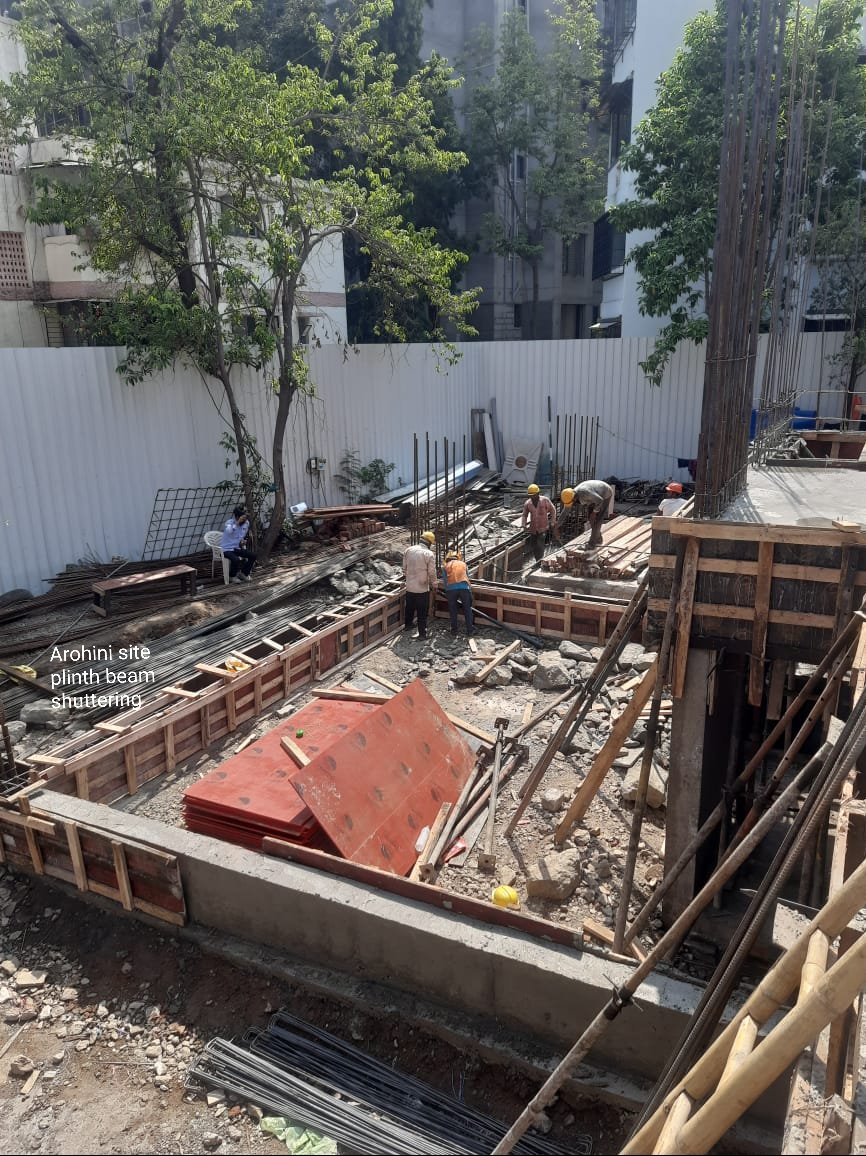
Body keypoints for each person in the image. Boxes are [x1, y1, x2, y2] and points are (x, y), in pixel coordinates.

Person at [402, 530, 437, 639]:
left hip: (409, 586)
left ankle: (408, 625)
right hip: (422, 588)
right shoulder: (428, 554)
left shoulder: (408, 550)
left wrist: (409, 577)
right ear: (429, 543)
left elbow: (404, 569)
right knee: (422, 612)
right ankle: (422, 634)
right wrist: (434, 584)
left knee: (409, 607)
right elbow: (432, 572)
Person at [441, 549, 474, 636]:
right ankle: (470, 630)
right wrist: (469, 590)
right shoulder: (463, 564)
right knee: (467, 609)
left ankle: (454, 631)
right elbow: (467, 577)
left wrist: (447, 591)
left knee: (453, 610)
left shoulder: (445, 566)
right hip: (464, 588)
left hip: (451, 589)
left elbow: (445, 581)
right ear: (457, 557)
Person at [220, 505, 256, 583]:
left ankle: (243, 573)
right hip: (226, 549)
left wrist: (242, 540)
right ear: (236, 516)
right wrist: (237, 523)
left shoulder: (246, 523)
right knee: (236, 559)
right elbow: (229, 531)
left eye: (245, 518)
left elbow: (241, 535)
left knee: (253, 555)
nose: (244, 520)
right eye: (243, 518)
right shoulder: (229, 523)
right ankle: (232, 576)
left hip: (236, 548)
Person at [574, 479, 615, 548]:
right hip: (594, 495)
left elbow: (600, 501)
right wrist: (557, 526)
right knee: (591, 519)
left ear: (575, 498)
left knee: (597, 520)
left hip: (605, 493)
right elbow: (565, 511)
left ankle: (592, 544)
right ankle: (598, 539)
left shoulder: (584, 492)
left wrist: (594, 513)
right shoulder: (570, 495)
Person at [522, 484, 557, 563]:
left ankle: (539, 562)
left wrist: (552, 521)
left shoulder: (545, 500)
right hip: (533, 529)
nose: (532, 497)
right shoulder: (528, 503)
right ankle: (538, 560)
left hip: (543, 528)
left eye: (534, 495)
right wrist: (523, 524)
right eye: (530, 495)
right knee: (534, 545)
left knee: (540, 545)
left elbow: (553, 510)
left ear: (538, 493)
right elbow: (524, 515)